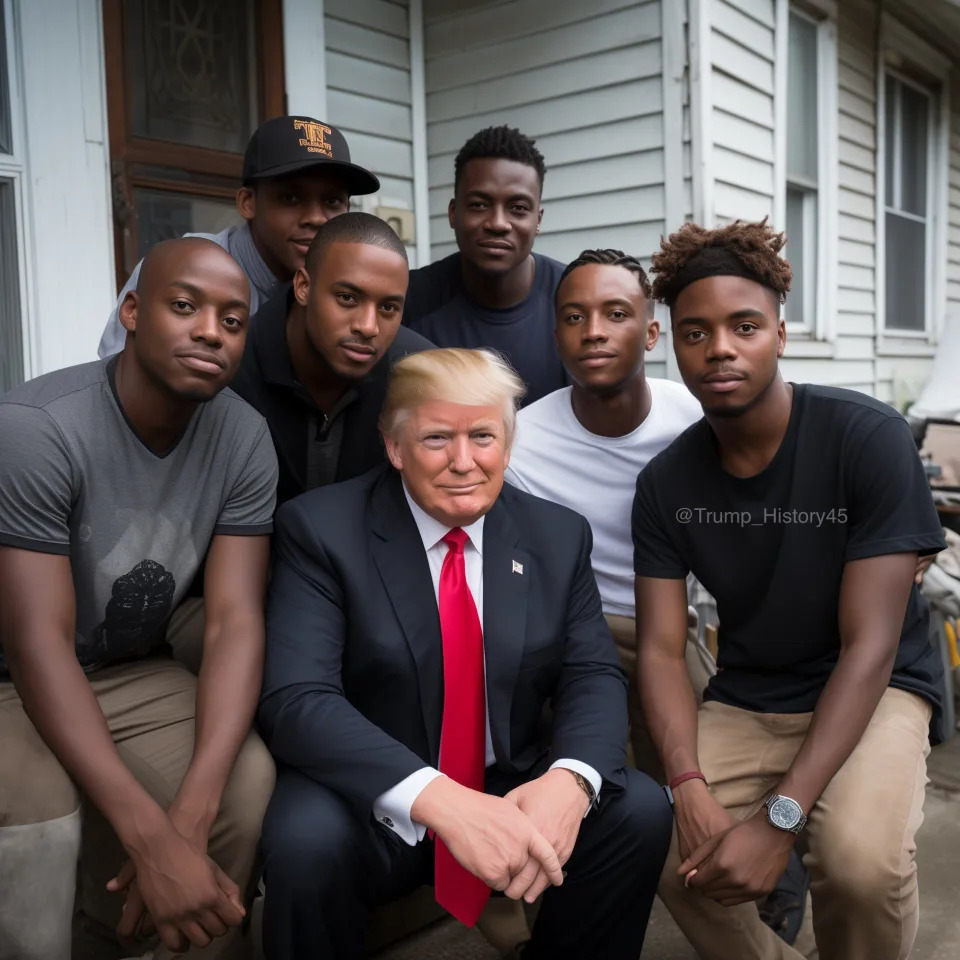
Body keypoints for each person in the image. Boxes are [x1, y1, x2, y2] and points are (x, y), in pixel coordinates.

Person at [256, 348, 673, 960]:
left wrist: (569, 782)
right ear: (394, 446)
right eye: (435, 438)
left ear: (507, 443)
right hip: (376, 796)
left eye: (483, 436)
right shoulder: (320, 531)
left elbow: (592, 674)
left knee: (634, 810)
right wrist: (440, 801)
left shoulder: (557, 535)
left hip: (507, 782)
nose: (463, 461)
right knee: (304, 843)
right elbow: (297, 700)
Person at [631, 220, 946, 960]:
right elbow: (660, 650)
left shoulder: (865, 437)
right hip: (751, 694)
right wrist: (687, 785)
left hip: (876, 687)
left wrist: (780, 820)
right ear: (673, 345)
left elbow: (869, 646)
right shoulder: (666, 482)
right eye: (695, 333)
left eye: (744, 326)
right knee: (664, 847)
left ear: (779, 331)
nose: (720, 350)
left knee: (859, 865)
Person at [0, 238, 279, 960]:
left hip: (124, 667)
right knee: (36, 814)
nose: (211, 331)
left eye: (233, 319)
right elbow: (36, 646)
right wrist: (152, 840)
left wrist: (189, 818)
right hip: (12, 676)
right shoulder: (38, 428)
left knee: (244, 782)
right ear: (131, 311)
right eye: (184, 306)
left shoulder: (243, 438)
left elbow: (233, 622)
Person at [504, 248, 707, 772]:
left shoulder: (694, 416)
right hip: (576, 632)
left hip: (670, 622)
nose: (593, 331)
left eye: (616, 314)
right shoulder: (521, 441)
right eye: (574, 317)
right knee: (603, 786)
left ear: (652, 333)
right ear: (556, 338)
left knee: (701, 772)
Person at [97, 116, 380, 358]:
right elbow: (120, 376)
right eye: (291, 197)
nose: (316, 218)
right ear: (248, 202)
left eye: (332, 202)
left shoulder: (348, 290)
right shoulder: (181, 268)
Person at [231, 211, 433, 505]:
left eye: (388, 307)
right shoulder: (234, 366)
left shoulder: (420, 376)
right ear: (304, 287)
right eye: (347, 298)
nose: (368, 326)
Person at [402, 126, 568, 405]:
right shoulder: (408, 300)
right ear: (454, 213)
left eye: (518, 208)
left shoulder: (572, 300)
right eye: (479, 205)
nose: (498, 224)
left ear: (538, 220)